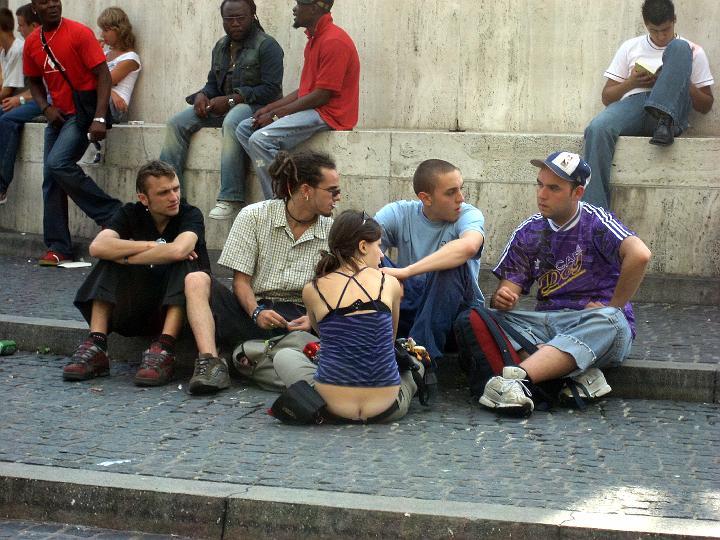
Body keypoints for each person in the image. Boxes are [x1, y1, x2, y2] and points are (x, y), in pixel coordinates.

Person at [479, 151, 652, 416]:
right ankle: (574, 375)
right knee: (486, 318)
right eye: (539, 185)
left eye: (553, 188)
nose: (542, 194)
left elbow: (640, 255)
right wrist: (502, 297)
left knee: (612, 321)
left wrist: (614, 306)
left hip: (594, 325)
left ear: (577, 193)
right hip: (548, 325)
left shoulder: (597, 221)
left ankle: (515, 381)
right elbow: (506, 292)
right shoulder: (529, 230)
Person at [183, 150, 340, 395]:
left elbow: (339, 289)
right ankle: (211, 363)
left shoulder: (334, 230)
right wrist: (256, 312)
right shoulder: (254, 216)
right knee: (196, 279)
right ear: (306, 190)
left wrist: (314, 319)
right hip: (253, 311)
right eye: (332, 191)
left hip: (301, 320)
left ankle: (250, 358)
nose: (338, 197)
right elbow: (241, 282)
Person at [64, 160, 210, 386]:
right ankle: (97, 345)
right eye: (164, 192)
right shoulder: (130, 213)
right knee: (109, 261)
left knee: (184, 263)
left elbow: (179, 250)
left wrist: (127, 255)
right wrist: (152, 245)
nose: (174, 197)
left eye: (176, 189)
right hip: (136, 307)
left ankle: (165, 347)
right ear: (144, 198)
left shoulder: (190, 214)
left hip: (181, 312)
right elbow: (98, 247)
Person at [273, 210, 422, 424]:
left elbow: (323, 337)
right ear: (363, 246)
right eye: (379, 246)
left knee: (283, 356)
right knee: (417, 363)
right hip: (386, 409)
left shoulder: (313, 289)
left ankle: (322, 390)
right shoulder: (389, 284)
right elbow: (389, 341)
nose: (382, 255)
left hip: (330, 408)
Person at [582, 0, 714, 210]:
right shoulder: (630, 47)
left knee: (679, 47)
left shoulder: (692, 50)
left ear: (674, 20)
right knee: (596, 128)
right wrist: (631, 82)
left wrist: (682, 79)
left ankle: (665, 119)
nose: (661, 36)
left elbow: (706, 105)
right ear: (646, 25)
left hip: (672, 110)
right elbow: (607, 97)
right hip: (634, 105)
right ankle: (594, 212)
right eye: (654, 30)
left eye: (666, 29)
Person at [159, 0, 283, 220]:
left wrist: (233, 99)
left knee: (233, 119)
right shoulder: (221, 46)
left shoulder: (267, 46)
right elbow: (213, 84)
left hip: (258, 108)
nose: (235, 23)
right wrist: (202, 95)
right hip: (226, 105)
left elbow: (271, 89)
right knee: (176, 123)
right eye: (229, 19)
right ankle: (168, 193)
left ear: (252, 15)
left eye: (240, 18)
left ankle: (231, 197)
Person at [23, 0, 122, 266]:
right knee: (51, 176)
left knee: (58, 163)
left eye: (55, 0)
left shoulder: (79, 32)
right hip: (57, 116)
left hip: (82, 112)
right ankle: (59, 247)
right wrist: (45, 108)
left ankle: (112, 214)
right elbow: (33, 80)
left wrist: (99, 117)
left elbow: (103, 74)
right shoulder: (32, 42)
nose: (53, 5)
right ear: (35, 9)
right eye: (45, 2)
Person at [236, 0, 359, 200]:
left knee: (260, 139)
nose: (294, 9)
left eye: (299, 4)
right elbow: (305, 90)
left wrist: (274, 115)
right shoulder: (315, 39)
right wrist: (270, 108)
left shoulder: (334, 41)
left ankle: (281, 201)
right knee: (244, 128)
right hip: (315, 108)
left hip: (329, 114)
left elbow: (322, 95)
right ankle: (289, 182)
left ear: (314, 8)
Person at [374, 159, 486, 366]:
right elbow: (360, 248)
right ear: (426, 198)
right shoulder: (399, 213)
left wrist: (407, 272)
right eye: (451, 192)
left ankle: (420, 360)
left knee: (453, 265)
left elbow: (469, 246)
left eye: (461, 189)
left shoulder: (469, 214)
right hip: (410, 306)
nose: (460, 198)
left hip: (455, 315)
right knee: (369, 255)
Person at [0, 5, 37, 205]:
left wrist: (20, 99)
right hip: (26, 99)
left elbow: (8, 91)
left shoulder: (20, 49)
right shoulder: (7, 52)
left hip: (35, 101)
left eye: (22, 25)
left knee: (7, 119)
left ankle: (1, 186)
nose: (19, 30)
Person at [97, 6, 141, 124]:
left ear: (119, 30)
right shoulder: (105, 54)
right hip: (103, 98)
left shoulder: (130, 58)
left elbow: (105, 82)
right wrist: (112, 93)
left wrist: (111, 93)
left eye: (106, 30)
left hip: (114, 108)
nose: (102, 34)